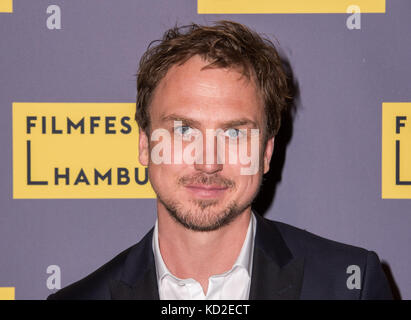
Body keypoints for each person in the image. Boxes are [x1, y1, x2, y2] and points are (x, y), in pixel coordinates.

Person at [47, 20, 393, 300]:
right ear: (144, 145)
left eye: (234, 134)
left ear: (266, 152)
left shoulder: (348, 286)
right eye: (183, 130)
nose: (208, 162)